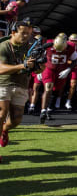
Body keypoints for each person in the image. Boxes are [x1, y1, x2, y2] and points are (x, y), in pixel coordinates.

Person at [0, 20, 43, 157]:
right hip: (3, 83)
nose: (26, 36)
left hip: (21, 85)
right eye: (23, 33)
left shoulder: (31, 47)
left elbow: (38, 70)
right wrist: (22, 66)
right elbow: (0, 69)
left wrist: (38, 66)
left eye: (28, 34)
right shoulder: (4, 46)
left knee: (16, 119)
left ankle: (4, 130)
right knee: (2, 113)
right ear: (13, 32)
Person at [38, 33, 77, 123]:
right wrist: (39, 69)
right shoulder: (48, 45)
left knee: (56, 90)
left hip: (61, 70)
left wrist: (68, 69)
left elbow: (75, 60)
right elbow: (38, 56)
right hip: (48, 69)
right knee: (48, 88)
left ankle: (48, 108)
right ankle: (43, 111)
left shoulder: (70, 47)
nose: (59, 51)